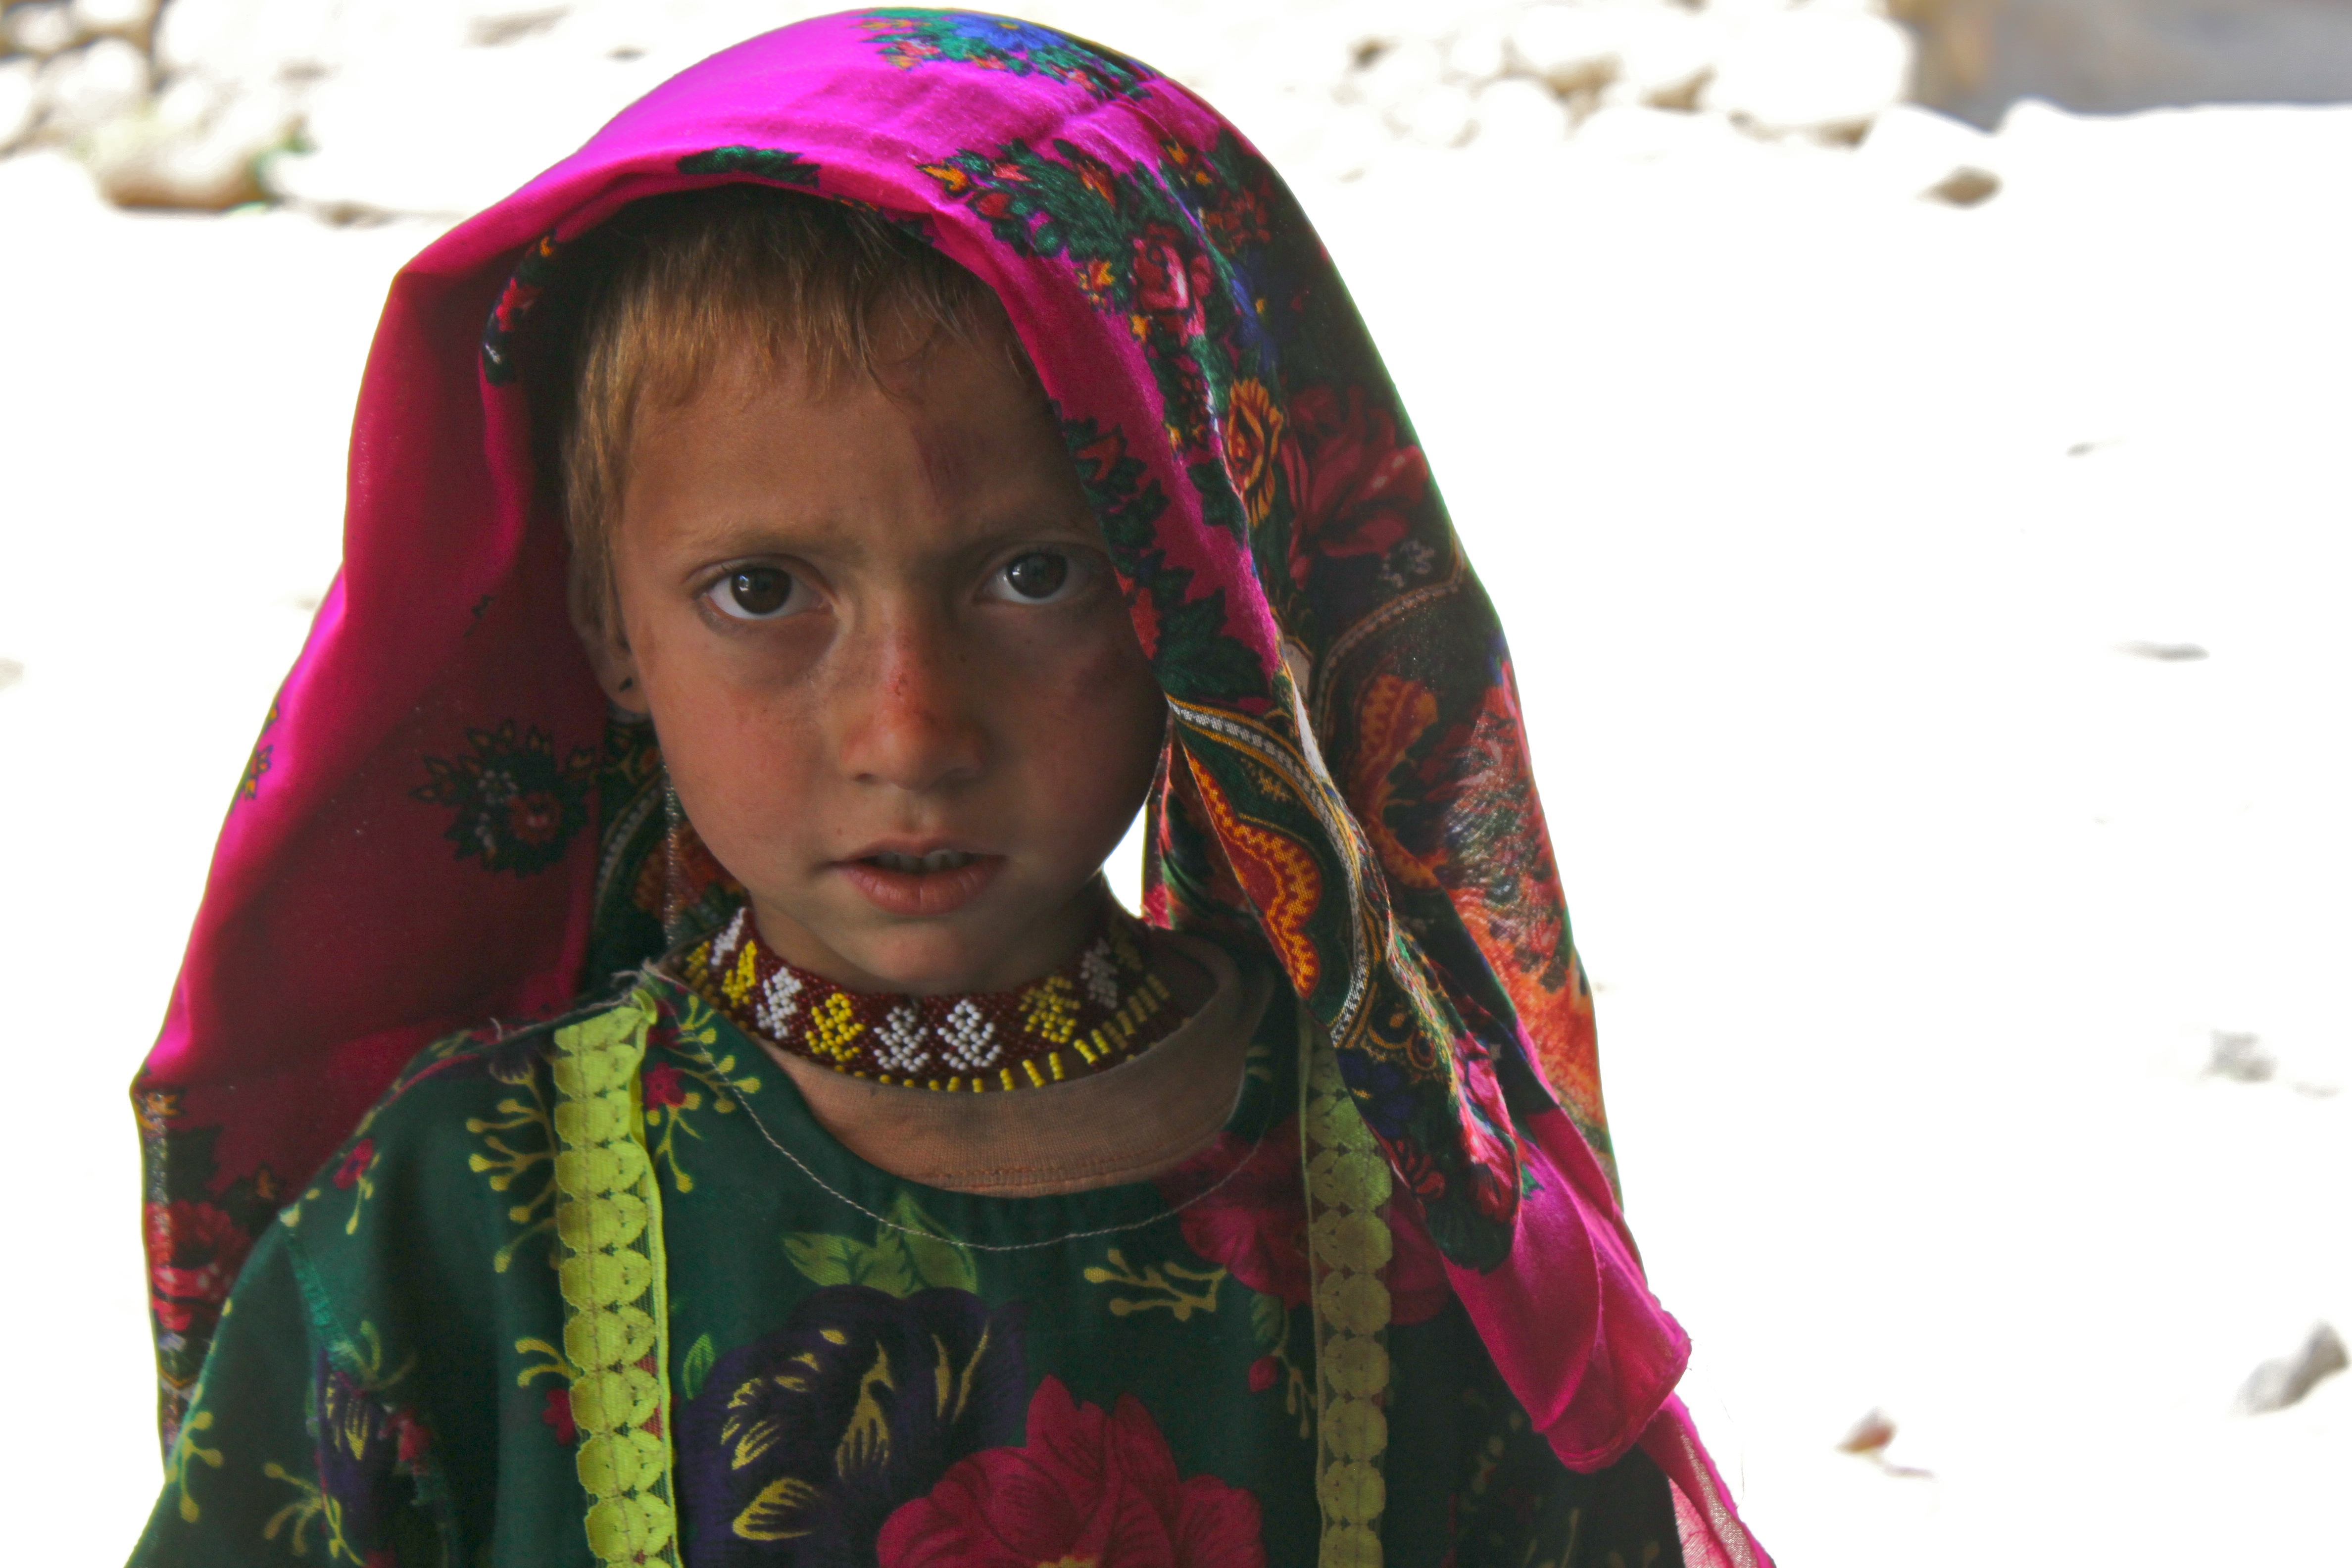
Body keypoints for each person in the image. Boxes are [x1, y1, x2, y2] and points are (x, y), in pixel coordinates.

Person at [128, 11, 1769, 1567]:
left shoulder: (1408, 1220)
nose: (910, 731)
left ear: (1202, 607)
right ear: (605, 628)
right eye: (764, 593)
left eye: (1036, 574)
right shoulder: (454, 1225)